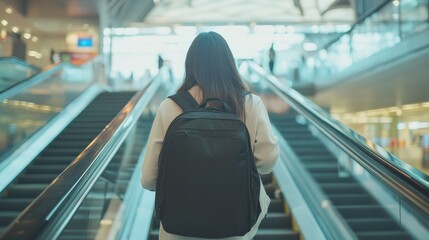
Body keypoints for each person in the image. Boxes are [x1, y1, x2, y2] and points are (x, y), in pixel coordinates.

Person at [141, 31, 279, 239]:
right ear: (228, 63)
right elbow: (267, 162)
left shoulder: (169, 107)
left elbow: (149, 179)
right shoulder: (250, 104)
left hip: (179, 228)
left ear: (191, 64)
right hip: (236, 226)